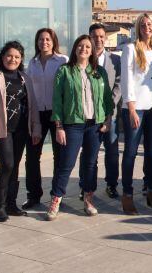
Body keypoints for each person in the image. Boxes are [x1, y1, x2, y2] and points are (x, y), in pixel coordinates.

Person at [46, 35, 114, 220]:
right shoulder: (65, 71)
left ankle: (88, 198)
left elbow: (108, 98)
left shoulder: (99, 71)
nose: (84, 49)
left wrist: (107, 120)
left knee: (90, 164)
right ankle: (56, 198)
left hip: (95, 125)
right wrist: (59, 126)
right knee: (66, 164)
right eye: (81, 46)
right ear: (75, 48)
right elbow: (57, 101)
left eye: (87, 47)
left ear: (92, 51)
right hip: (72, 125)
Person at [0, 41, 41, 222]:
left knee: (14, 167)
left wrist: (36, 129)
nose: (12, 59)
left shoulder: (25, 78)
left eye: (17, 57)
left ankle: (11, 204)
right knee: (7, 165)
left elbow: (33, 106)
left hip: (21, 129)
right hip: (2, 131)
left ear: (21, 59)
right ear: (2, 56)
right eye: (9, 56)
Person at [120, 14, 152, 215]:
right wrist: (130, 107)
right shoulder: (130, 48)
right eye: (143, 24)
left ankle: (151, 190)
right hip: (136, 106)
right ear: (138, 28)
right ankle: (127, 194)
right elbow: (127, 80)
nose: (147, 27)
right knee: (130, 151)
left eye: (150, 24)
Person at [23, 28, 68, 210]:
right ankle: (34, 195)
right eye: (41, 39)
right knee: (32, 157)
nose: (44, 42)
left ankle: (56, 196)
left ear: (53, 41)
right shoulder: (32, 63)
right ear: (37, 42)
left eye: (48, 39)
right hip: (36, 115)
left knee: (60, 156)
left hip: (57, 114)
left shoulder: (62, 61)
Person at [78, 24, 122, 199]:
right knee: (89, 153)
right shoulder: (83, 59)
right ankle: (87, 186)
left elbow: (119, 84)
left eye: (102, 36)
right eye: (95, 36)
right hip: (89, 116)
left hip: (110, 115)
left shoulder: (115, 60)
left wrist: (108, 107)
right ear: (89, 37)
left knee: (112, 152)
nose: (99, 39)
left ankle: (111, 184)